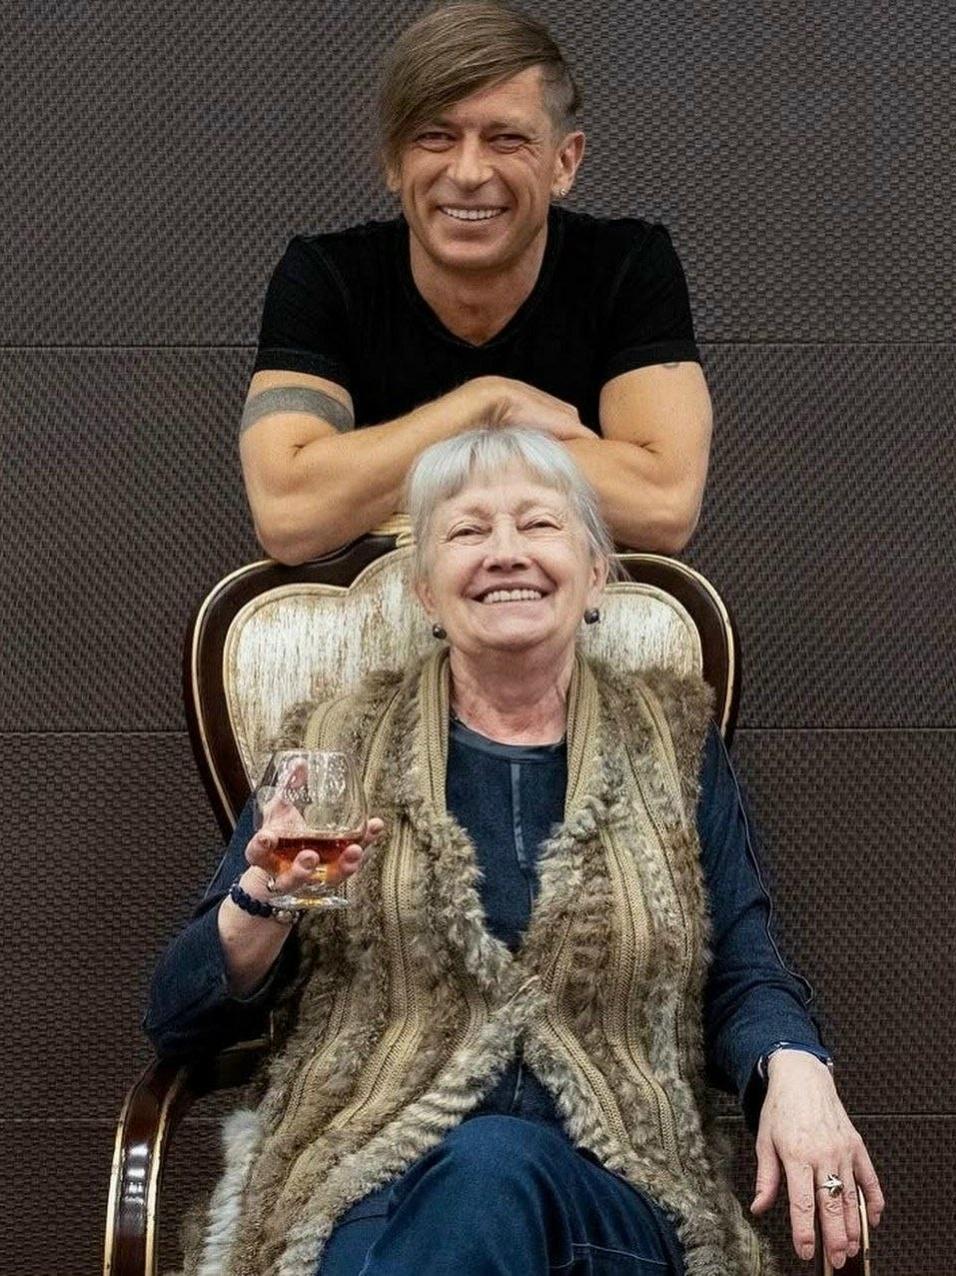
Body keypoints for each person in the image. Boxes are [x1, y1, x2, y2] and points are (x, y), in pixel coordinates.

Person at [148, 428, 882, 1275]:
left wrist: (794, 1066)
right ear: (426, 590)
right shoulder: (336, 746)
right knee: (465, 1191)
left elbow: (744, 970)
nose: (505, 552)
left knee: (491, 1168)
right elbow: (178, 1019)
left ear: (595, 571)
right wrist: (267, 898)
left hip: (613, 1190)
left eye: (538, 524)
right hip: (365, 1184)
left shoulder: (670, 746)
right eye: (467, 531)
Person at [239, 0, 713, 565]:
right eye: (435, 137)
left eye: (506, 139)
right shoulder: (327, 276)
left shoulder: (626, 266)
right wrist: (487, 405)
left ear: (564, 163)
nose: (467, 173)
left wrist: (386, 466)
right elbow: (289, 515)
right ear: (393, 161)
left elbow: (663, 505)